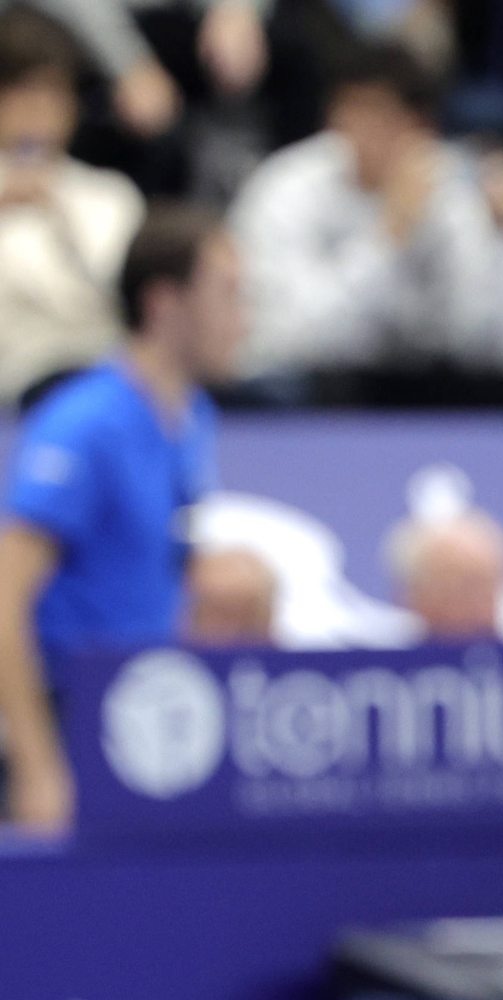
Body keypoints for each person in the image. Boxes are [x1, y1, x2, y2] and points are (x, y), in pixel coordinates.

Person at [0, 203, 245, 834]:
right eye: (227, 295)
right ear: (165, 304)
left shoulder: (193, 418)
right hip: (68, 725)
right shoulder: (86, 425)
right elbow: (6, 595)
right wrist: (38, 767)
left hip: (145, 728)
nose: (244, 321)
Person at [229, 43, 503, 405]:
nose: (360, 131)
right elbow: (285, 340)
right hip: (321, 387)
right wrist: (387, 237)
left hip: (420, 388)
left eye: (381, 115)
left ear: (420, 125)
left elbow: (500, 350)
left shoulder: (451, 190)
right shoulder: (284, 189)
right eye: (350, 111)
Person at [0, 9, 145, 409]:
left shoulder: (110, 197)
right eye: (22, 93)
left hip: (105, 381)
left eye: (54, 93)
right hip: (15, 383)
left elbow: (126, 304)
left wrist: (60, 219)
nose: (39, 110)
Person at [385, 509, 503, 641]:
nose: (474, 602)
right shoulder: (386, 656)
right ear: (413, 594)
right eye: (454, 588)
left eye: (482, 585)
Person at [184, 545, 276, 646]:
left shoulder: (284, 660)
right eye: (217, 612)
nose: (229, 631)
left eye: (244, 618)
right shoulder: (172, 657)